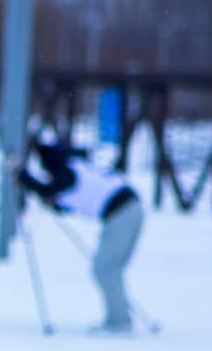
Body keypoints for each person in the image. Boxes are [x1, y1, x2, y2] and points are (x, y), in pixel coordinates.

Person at [17, 136, 144, 334]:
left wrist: (21, 175)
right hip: (129, 210)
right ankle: (118, 318)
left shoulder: (68, 173)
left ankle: (119, 323)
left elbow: (47, 189)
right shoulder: (78, 167)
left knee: (104, 271)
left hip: (121, 214)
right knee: (110, 270)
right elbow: (71, 198)